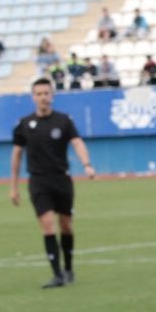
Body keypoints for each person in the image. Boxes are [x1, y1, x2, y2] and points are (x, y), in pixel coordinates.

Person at [10, 79, 96, 288]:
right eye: (38, 94)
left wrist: (87, 164)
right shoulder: (24, 124)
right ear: (33, 97)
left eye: (46, 93)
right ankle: (57, 275)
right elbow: (17, 154)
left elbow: (77, 142)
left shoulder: (64, 121)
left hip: (61, 179)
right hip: (38, 181)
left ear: (52, 96)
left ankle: (68, 268)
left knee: (66, 225)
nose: (43, 97)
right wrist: (13, 186)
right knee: (47, 224)